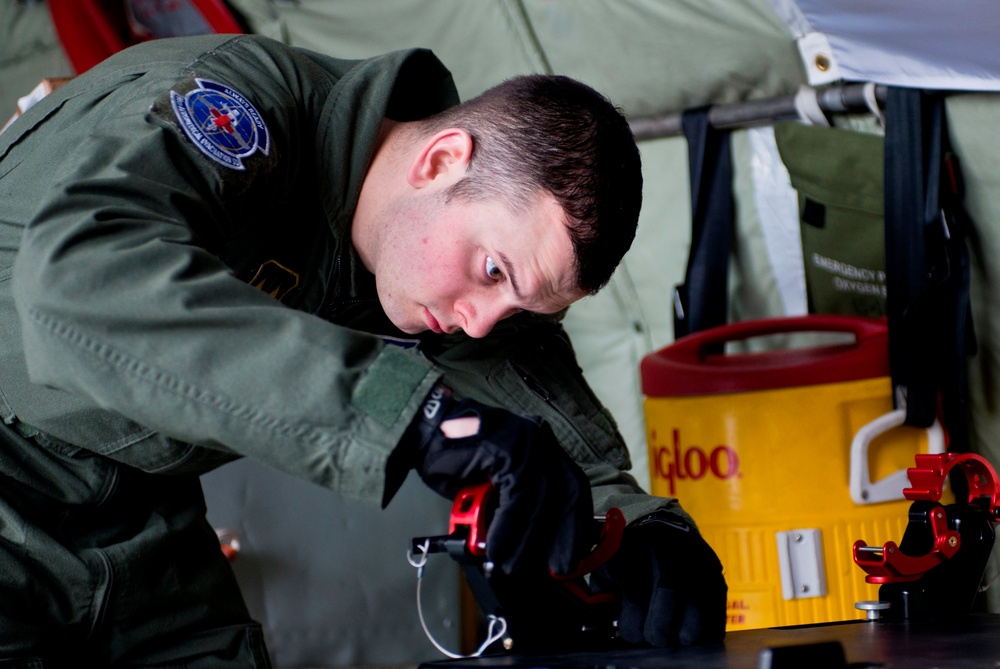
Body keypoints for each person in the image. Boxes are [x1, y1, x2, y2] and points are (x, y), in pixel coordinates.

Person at [0, 33, 726, 667]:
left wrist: (643, 534)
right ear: (442, 159)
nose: (481, 323)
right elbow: (79, 283)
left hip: (136, 512)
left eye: (518, 304)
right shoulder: (237, 109)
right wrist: (411, 415)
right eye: (495, 272)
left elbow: (553, 441)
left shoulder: (437, 276)